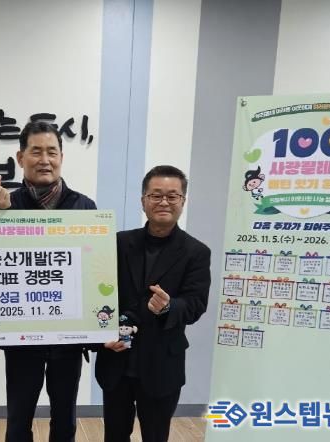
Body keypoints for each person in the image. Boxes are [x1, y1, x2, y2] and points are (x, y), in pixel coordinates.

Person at [0, 121, 96, 442]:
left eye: (52, 152)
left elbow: (95, 270)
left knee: (65, 418)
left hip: (68, 337)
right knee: (18, 417)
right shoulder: (6, 205)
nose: (45, 160)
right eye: (36, 152)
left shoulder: (84, 206)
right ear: (20, 157)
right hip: (21, 337)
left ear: (61, 157)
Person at [95, 165, 211, 442]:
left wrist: (169, 307)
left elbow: (196, 304)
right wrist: (100, 334)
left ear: (183, 201)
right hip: (117, 359)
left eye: (172, 196)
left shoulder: (196, 252)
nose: (164, 202)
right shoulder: (117, 243)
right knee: (114, 435)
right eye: (156, 195)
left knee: (156, 436)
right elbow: (96, 294)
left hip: (162, 364)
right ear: (143, 200)